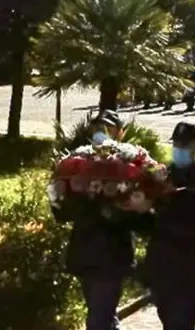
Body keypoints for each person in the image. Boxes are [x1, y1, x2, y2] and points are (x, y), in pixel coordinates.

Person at [52, 109, 140, 330]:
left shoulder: (131, 166)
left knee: (98, 320)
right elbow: (60, 213)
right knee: (102, 315)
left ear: (120, 133)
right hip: (85, 254)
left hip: (112, 257)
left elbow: (143, 215)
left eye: (107, 129)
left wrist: (116, 204)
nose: (101, 134)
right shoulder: (77, 163)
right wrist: (59, 194)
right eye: (97, 129)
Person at [138, 122, 195, 330]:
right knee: (169, 322)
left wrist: (162, 215)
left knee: (180, 325)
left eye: (185, 145)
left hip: (190, 270)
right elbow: (144, 227)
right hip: (161, 267)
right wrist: (138, 208)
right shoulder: (159, 177)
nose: (179, 150)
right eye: (176, 144)